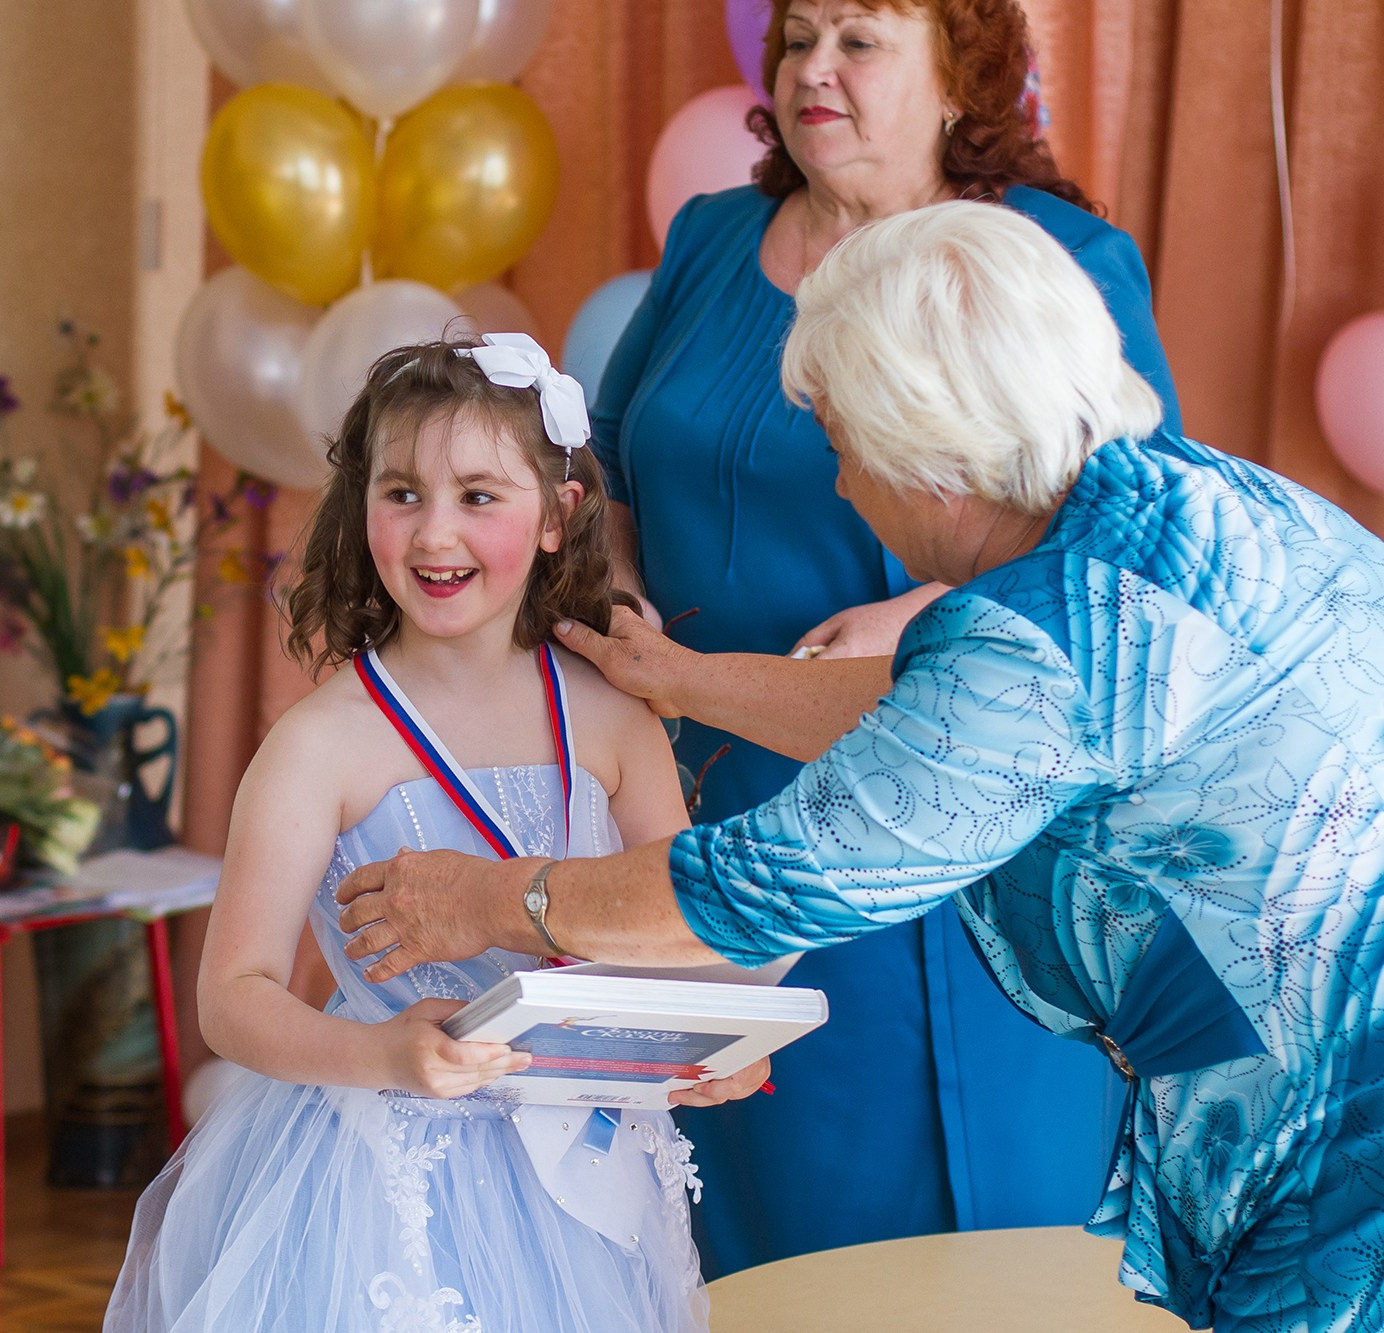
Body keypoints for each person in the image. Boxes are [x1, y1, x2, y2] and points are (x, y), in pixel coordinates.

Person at [338, 202, 1384, 1332]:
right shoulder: (1204, 499)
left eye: (840, 447)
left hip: (1330, 1133)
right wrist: (690, 681)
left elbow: (757, 887)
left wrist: (493, 898)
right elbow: (940, 714)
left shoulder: (1032, 644)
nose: (839, 486)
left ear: (929, 463)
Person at [588, 0, 1180, 1276]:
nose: (813, 69)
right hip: (700, 790)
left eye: (858, 40)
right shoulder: (709, 237)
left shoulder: (1057, 256)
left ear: (957, 79)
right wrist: (619, 594)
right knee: (734, 1217)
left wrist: (918, 619)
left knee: (954, 1234)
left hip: (946, 785)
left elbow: (1129, 531)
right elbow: (609, 465)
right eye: (797, 37)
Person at [106, 335, 765, 1331]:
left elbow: (681, 934)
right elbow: (231, 998)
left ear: (557, 516)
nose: (432, 532)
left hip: (586, 1179)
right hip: (381, 1187)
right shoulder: (317, 743)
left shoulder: (612, 719)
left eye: (478, 495)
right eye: (402, 493)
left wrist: (705, 1044)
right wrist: (379, 1053)